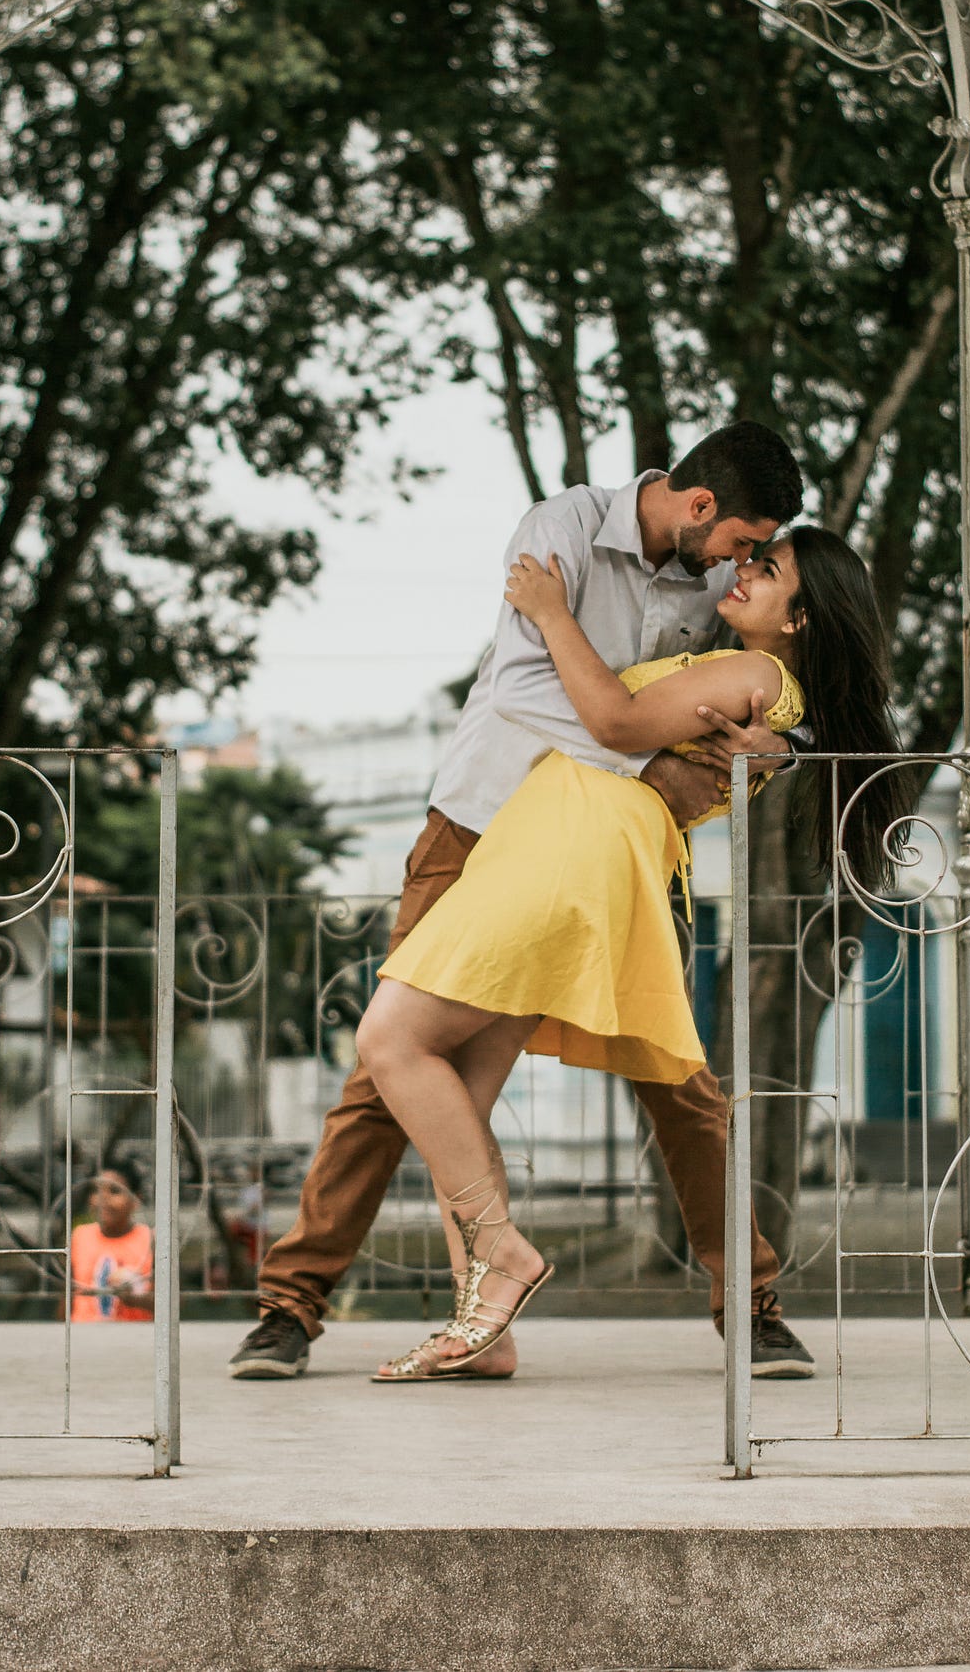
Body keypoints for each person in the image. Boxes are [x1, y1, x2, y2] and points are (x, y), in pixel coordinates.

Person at [230, 421, 815, 1383]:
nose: (743, 565)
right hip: (478, 826)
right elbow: (522, 690)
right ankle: (291, 1309)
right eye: (743, 541)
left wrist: (766, 752)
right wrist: (651, 755)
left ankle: (751, 1308)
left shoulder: (721, 585)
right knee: (393, 1074)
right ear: (701, 506)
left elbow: (752, 694)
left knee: (680, 1079)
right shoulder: (563, 531)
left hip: (609, 854)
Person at [354, 524, 906, 1376]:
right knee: (459, 1090)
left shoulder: (758, 675)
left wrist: (548, 611)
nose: (744, 571)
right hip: (560, 846)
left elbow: (612, 720)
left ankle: (502, 1256)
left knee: (389, 1040)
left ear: (799, 620)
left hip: (571, 855)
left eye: (769, 570)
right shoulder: (756, 681)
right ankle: (482, 1331)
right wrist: (789, 750)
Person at [69, 1164, 154, 1322]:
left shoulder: (150, 1239)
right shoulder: (80, 1236)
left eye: (114, 1191)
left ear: (136, 1200)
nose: (103, 1198)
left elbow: (173, 1301)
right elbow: (68, 1295)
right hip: (83, 1335)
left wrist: (135, 1298)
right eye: (96, 1190)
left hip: (133, 1337)